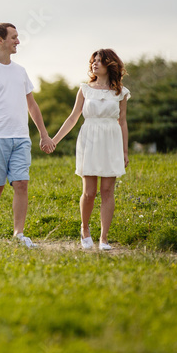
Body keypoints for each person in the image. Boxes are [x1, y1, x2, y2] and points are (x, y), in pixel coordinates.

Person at [0, 23, 56, 248]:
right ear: (0, 39)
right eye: (14, 37)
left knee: (22, 184)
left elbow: (32, 104)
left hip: (21, 138)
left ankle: (19, 234)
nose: (18, 41)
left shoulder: (20, 71)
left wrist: (44, 135)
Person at [50, 49, 130, 251]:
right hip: (90, 138)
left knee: (107, 190)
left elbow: (122, 122)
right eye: (93, 61)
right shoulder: (85, 89)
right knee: (89, 192)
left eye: (100, 61)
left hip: (112, 140)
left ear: (109, 64)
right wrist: (54, 140)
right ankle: (84, 229)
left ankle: (104, 238)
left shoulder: (120, 92)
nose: (95, 64)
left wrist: (125, 151)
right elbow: (73, 118)